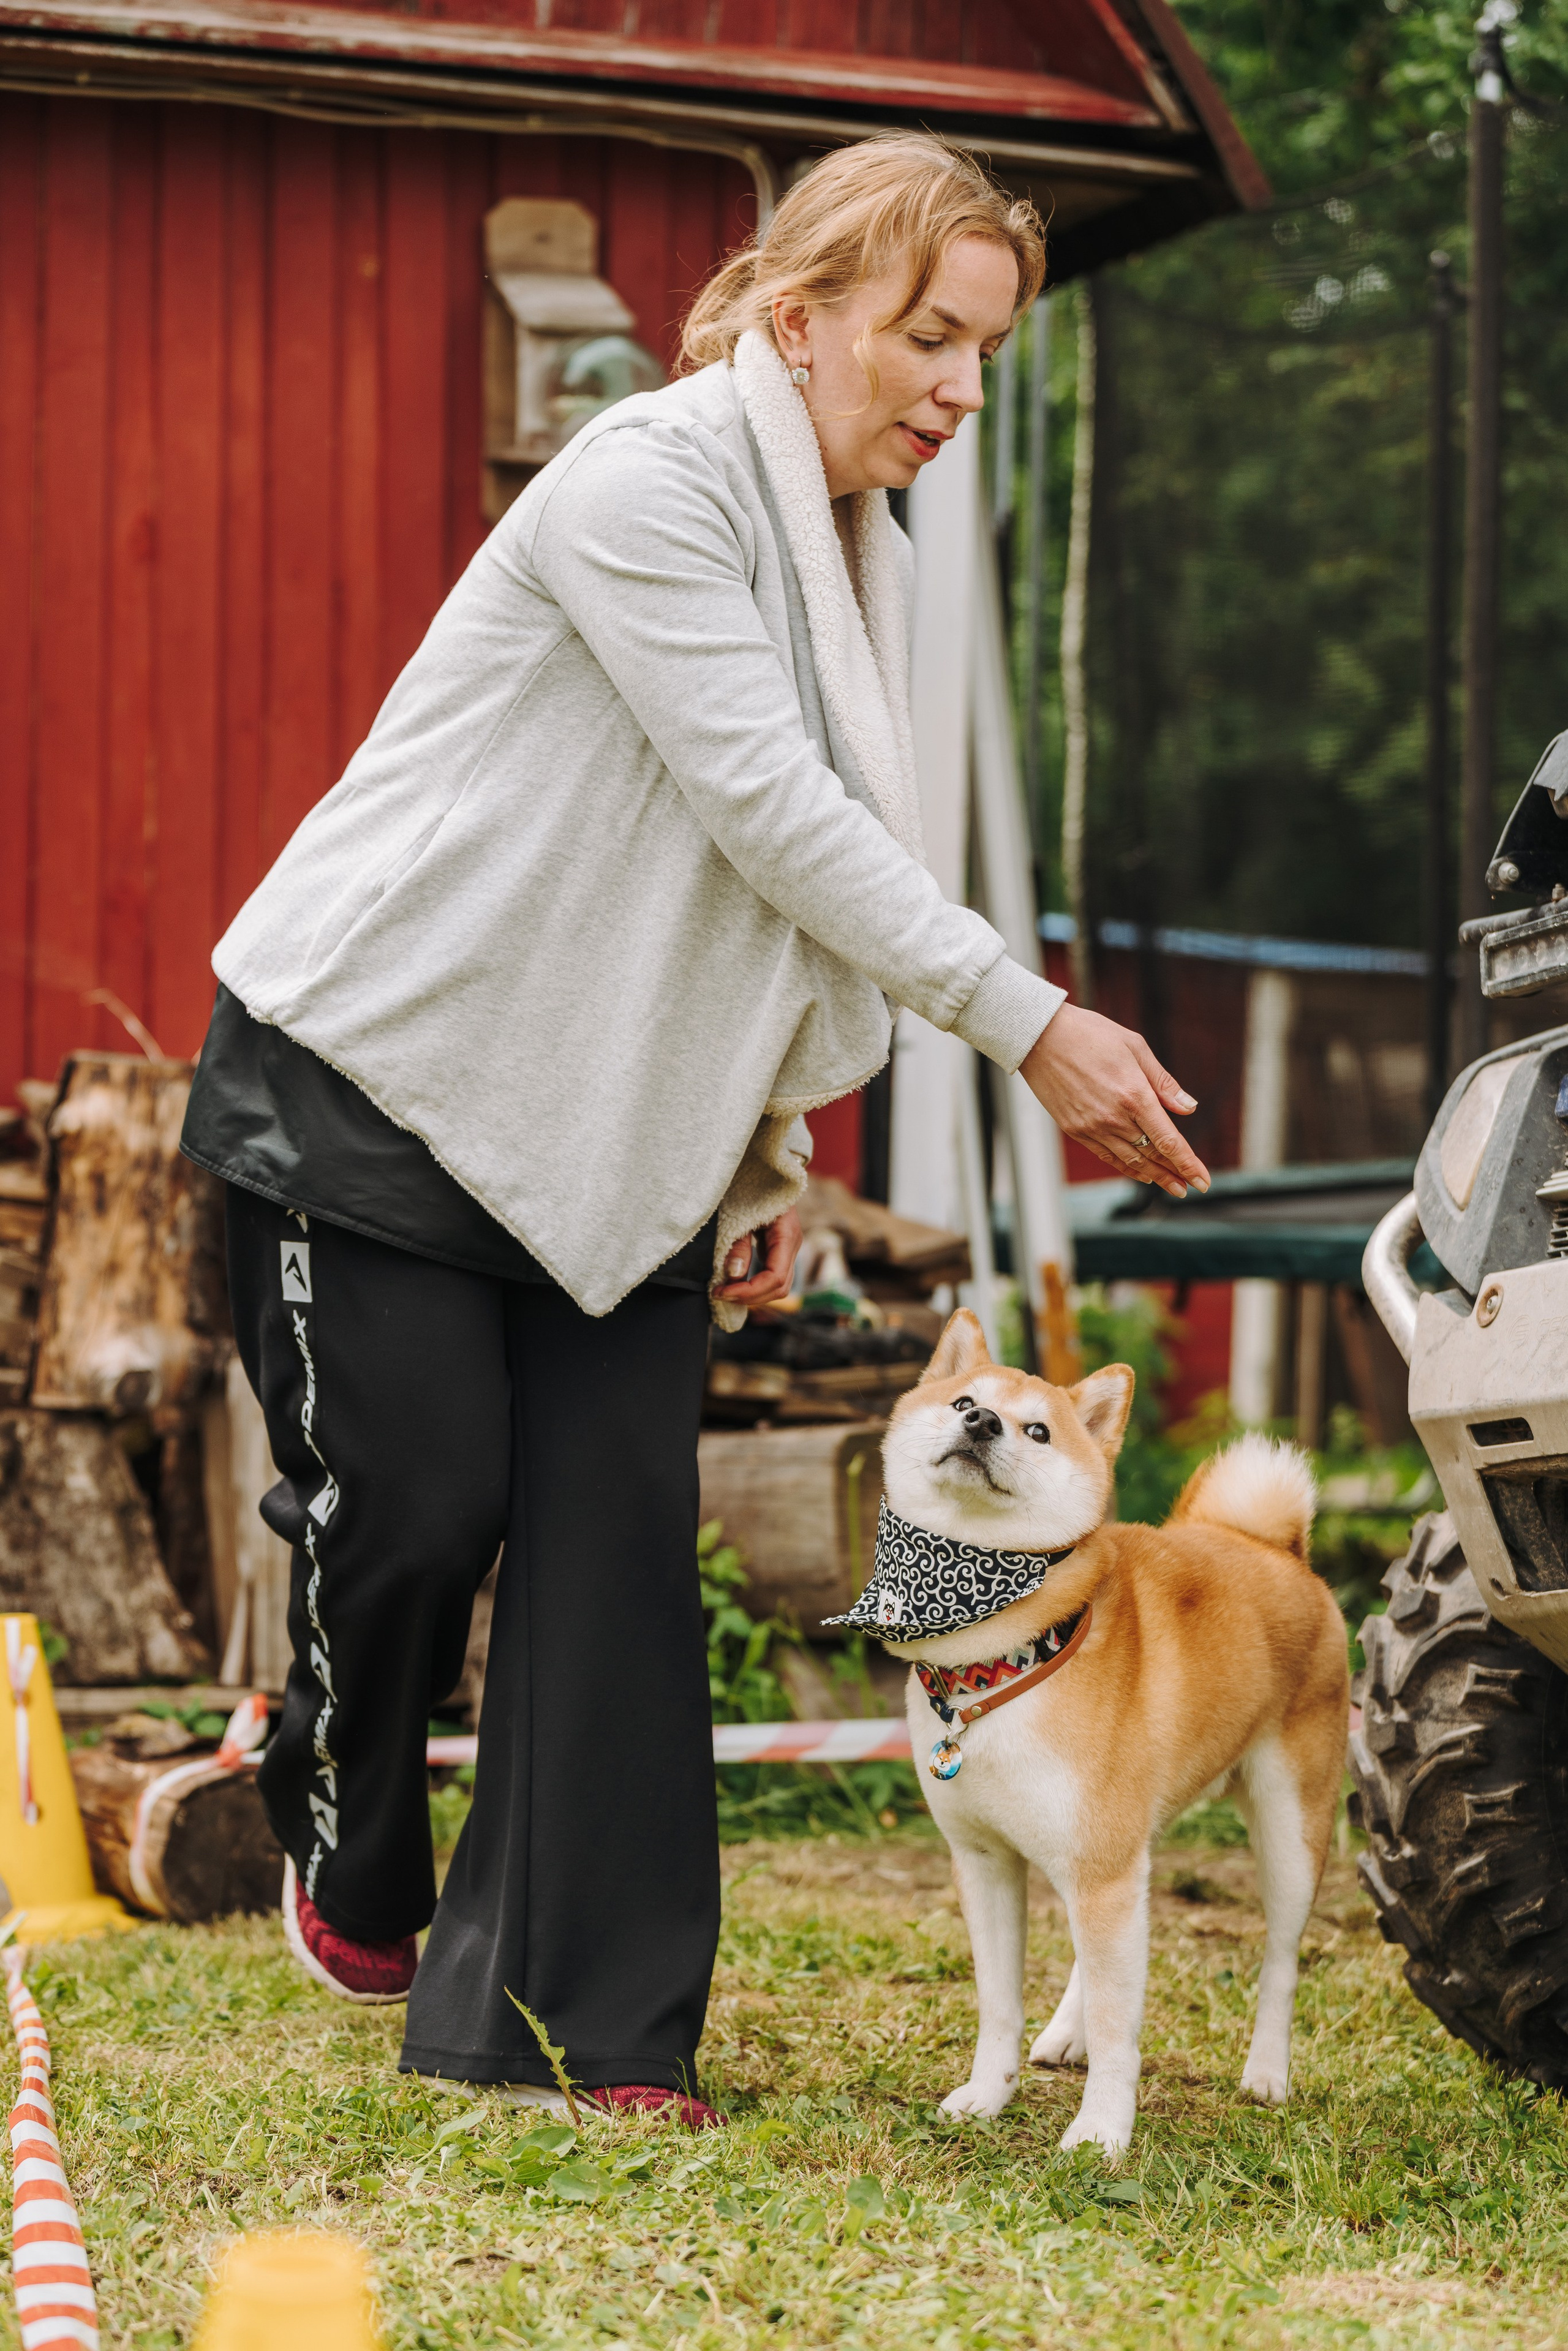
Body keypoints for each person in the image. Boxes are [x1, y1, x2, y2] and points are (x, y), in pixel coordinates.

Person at [181, 130, 1208, 2122]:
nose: (955, 391)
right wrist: (1032, 1023)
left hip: (625, 1124)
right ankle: (343, 1814)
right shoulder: (646, 481)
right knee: (423, 1510)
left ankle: (574, 2027)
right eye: (925, 338)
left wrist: (764, 1148)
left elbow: (744, 902)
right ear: (799, 313)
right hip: (386, 1070)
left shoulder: (863, 558)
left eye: (982, 355)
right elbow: (769, 808)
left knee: (618, 1557)